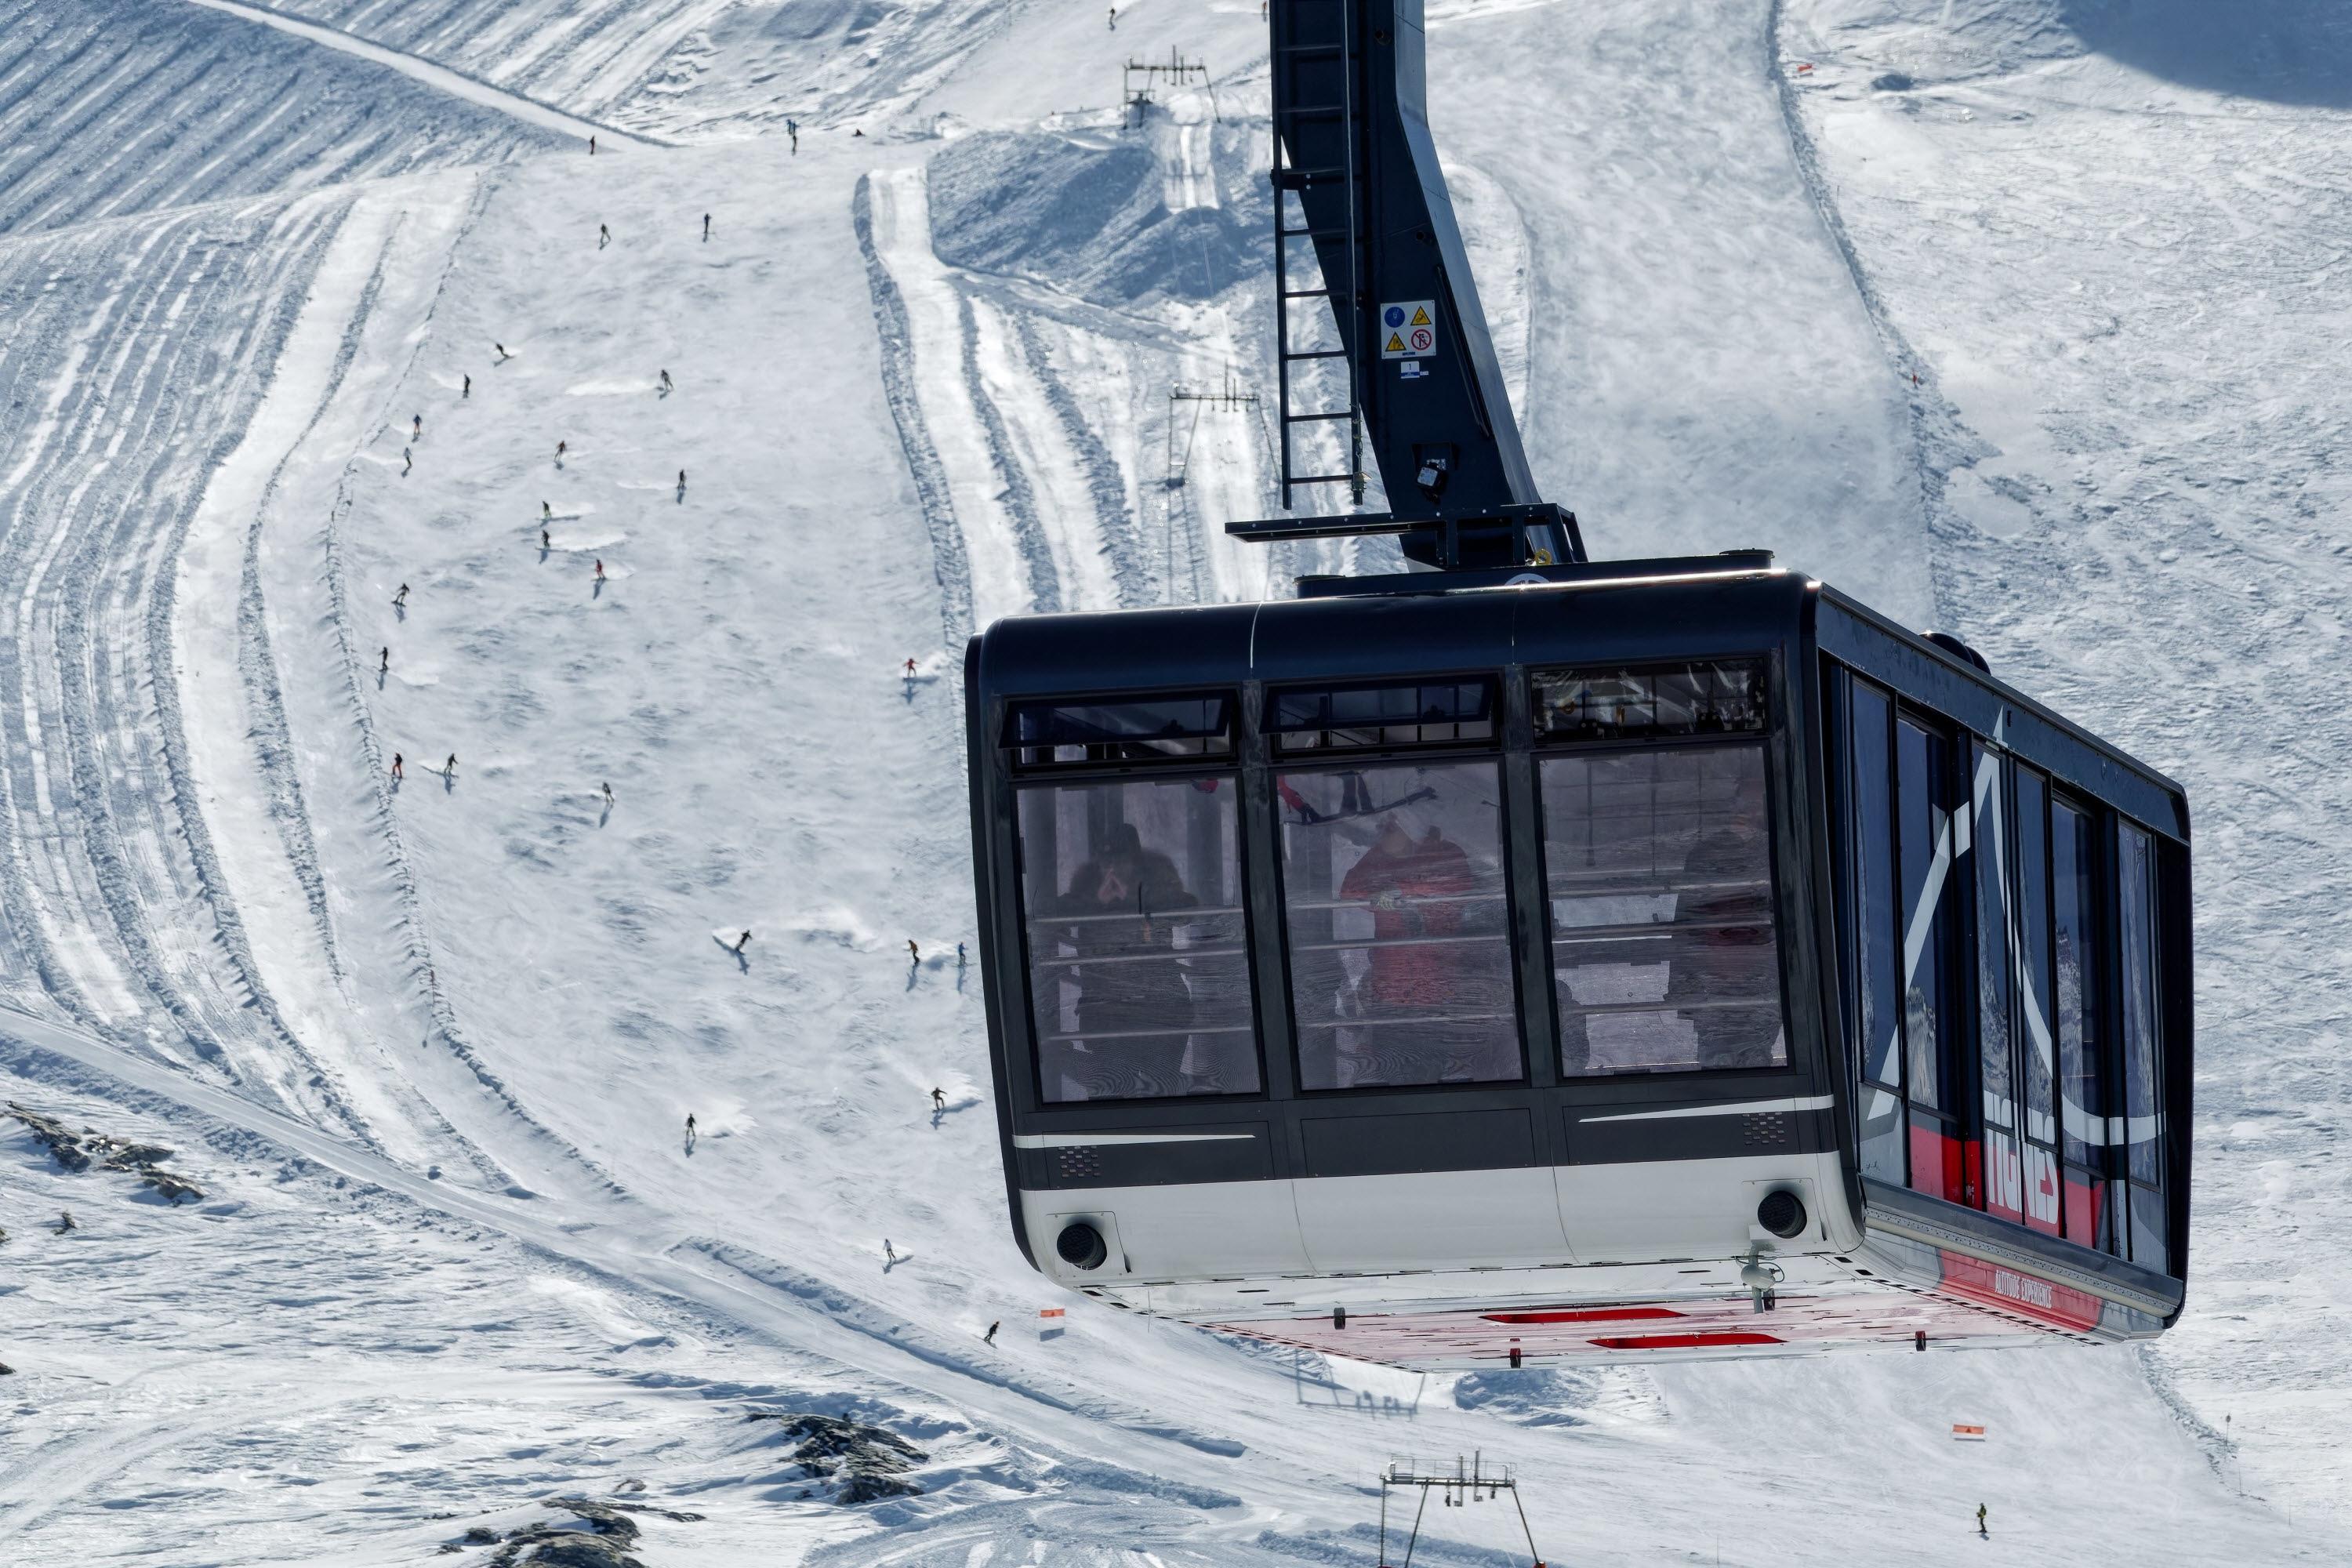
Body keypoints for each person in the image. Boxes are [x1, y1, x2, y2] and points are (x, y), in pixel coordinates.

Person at [1666, 770, 1777, 1069]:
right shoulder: (1705, 852)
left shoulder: (1775, 849)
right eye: (1746, 804)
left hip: (1761, 973)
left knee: (1758, 1056)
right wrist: (1683, 987)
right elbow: (1685, 919)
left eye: (1757, 804)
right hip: (1714, 973)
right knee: (1717, 1058)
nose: (1751, 812)